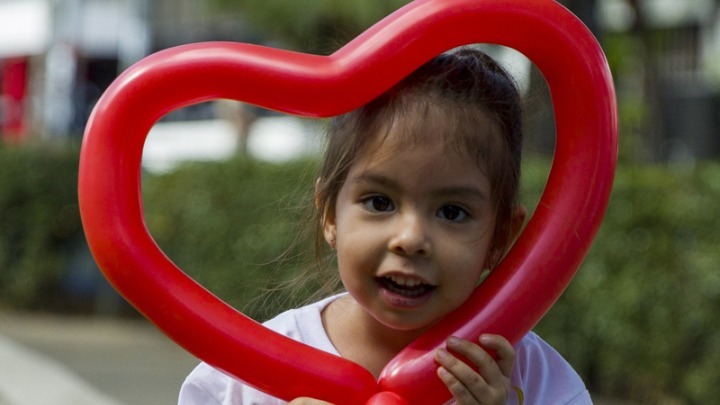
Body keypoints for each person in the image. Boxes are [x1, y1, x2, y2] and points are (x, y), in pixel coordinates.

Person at [178, 48, 592, 405]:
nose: (410, 239)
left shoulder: (536, 380)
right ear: (330, 215)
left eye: (452, 212)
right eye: (380, 203)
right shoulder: (242, 376)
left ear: (500, 237)